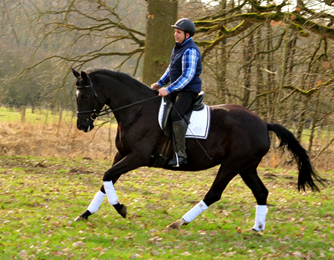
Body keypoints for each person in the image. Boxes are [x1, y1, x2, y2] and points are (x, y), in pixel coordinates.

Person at [151, 18, 202, 167]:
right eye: (175, 31)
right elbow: (171, 69)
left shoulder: (190, 50)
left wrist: (168, 89)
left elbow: (188, 76)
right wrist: (160, 83)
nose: (175, 34)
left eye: (178, 32)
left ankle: (181, 155)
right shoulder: (178, 48)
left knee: (175, 115)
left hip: (188, 91)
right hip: (177, 88)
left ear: (187, 35)